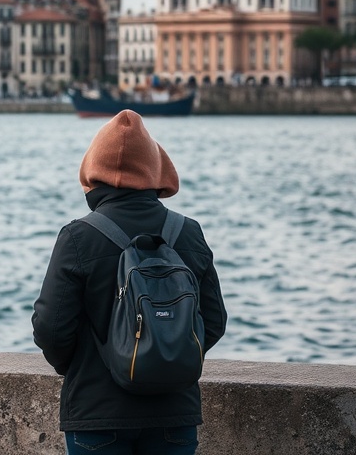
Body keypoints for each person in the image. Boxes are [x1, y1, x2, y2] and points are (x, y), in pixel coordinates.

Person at [32, 110, 227, 455]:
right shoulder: (189, 232)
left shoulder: (78, 236)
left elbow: (50, 327)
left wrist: (80, 368)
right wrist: (168, 358)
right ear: (156, 170)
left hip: (97, 413)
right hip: (174, 413)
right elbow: (213, 321)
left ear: (93, 172)